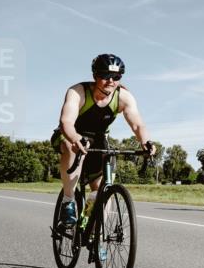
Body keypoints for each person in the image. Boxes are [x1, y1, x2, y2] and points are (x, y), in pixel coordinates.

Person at [51, 54, 155, 236]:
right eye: (105, 76)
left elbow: (138, 124)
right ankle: (68, 201)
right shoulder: (78, 92)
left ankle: (93, 228)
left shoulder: (124, 97)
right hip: (72, 134)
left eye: (116, 77)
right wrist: (75, 138)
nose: (111, 81)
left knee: (101, 187)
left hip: (99, 139)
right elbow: (66, 122)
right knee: (69, 146)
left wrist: (146, 142)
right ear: (95, 75)